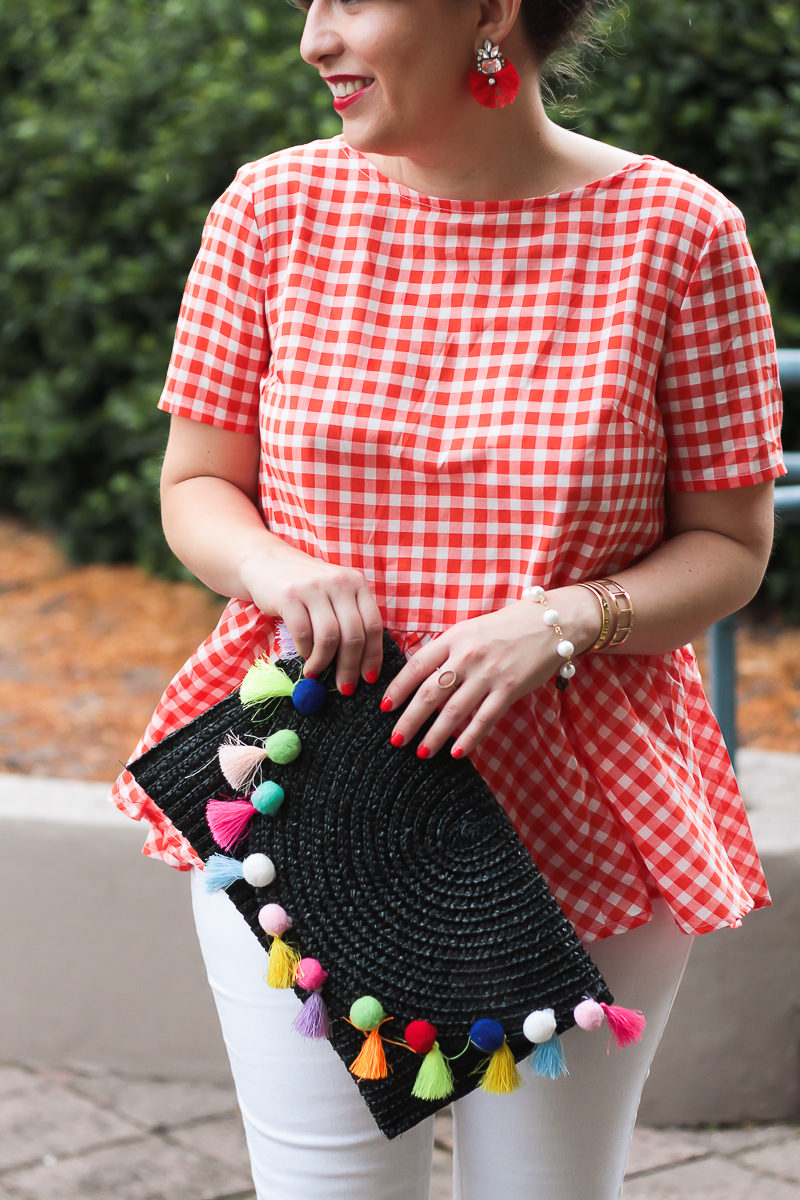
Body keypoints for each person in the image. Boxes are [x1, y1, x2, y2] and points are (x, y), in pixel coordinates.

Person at [110, 0, 785, 1196]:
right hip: (300, 787)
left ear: (488, 10)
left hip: (587, 805)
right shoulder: (268, 211)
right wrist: (276, 568)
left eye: (351, 0)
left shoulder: (678, 233)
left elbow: (727, 548)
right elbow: (199, 486)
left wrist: (561, 620)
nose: (314, 38)